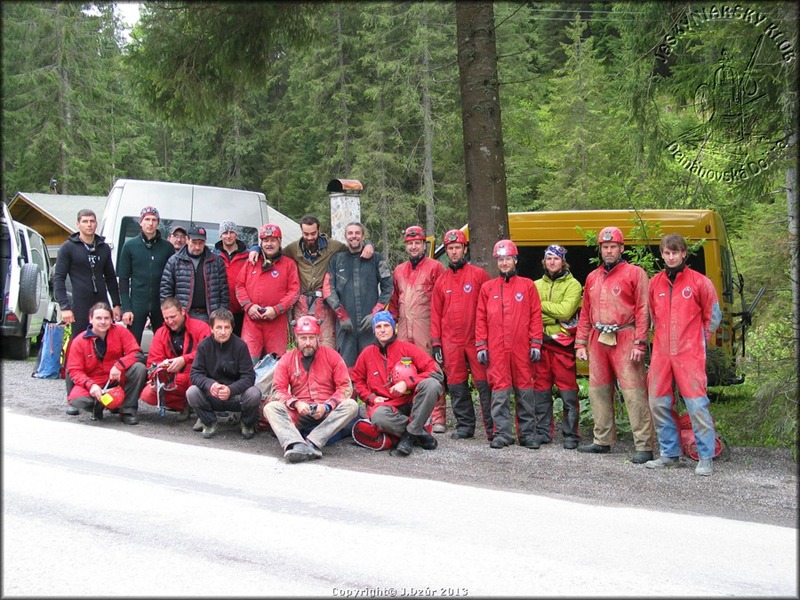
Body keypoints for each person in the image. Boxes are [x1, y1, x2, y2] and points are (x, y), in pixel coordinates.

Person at [575, 226, 655, 463]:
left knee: (634, 391)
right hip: (599, 339)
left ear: (621, 248)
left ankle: (644, 445)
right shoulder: (592, 277)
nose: (609, 251)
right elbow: (585, 312)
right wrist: (580, 343)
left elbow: (643, 309)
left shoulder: (635, 273)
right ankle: (602, 440)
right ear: (600, 249)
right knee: (598, 390)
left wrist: (640, 343)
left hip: (626, 337)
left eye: (613, 247)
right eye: (605, 247)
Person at [645, 233, 722, 476]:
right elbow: (653, 317)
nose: (671, 257)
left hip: (690, 353)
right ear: (662, 254)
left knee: (696, 404)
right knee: (658, 402)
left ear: (684, 253)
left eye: (675, 252)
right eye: (666, 253)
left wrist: (701, 340)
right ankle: (669, 453)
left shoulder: (699, 282)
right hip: (661, 352)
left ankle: (705, 456)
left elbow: (714, 316)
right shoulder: (655, 283)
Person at [248, 215, 375, 348]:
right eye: (306, 234)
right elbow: (274, 253)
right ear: (301, 232)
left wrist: (368, 244)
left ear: (319, 230)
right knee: (304, 342)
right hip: (301, 303)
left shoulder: (333, 246)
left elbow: (353, 247)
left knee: (327, 343)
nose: (309, 237)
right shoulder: (293, 249)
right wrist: (255, 248)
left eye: (313, 233)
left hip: (325, 303)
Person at [475, 240, 544, 449]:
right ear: (497, 261)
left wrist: (536, 343)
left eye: (508, 259)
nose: (504, 263)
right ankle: (502, 433)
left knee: (525, 390)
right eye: (501, 259)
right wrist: (481, 346)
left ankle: (528, 433)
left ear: (515, 260)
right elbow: (480, 318)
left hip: (522, 347)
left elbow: (535, 315)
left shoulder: (527, 285)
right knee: (500, 392)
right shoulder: (488, 288)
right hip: (496, 348)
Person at [264, 316, 359, 463]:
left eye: (311, 338)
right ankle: (295, 444)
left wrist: (327, 405)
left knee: (352, 406)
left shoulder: (332, 356)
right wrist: (296, 404)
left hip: (327, 412)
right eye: (303, 338)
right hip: (300, 411)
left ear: (318, 337)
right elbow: (278, 390)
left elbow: (345, 387)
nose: (308, 343)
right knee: (271, 407)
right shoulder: (287, 359)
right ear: (296, 338)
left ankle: (313, 442)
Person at [351, 310, 444, 456]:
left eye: (386, 325)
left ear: (394, 328)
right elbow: (358, 381)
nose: (382, 330)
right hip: (386, 406)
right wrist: (371, 398)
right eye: (379, 327)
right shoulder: (366, 354)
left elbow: (436, 372)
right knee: (379, 417)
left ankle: (408, 436)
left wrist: (407, 383)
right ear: (374, 331)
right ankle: (419, 432)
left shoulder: (407, 348)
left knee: (432, 385)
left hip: (411, 402)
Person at [430, 229, 492, 440]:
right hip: (450, 341)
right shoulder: (442, 281)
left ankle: (492, 427)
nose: (454, 252)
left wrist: (488, 339)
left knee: (483, 383)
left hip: (476, 339)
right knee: (456, 384)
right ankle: (465, 426)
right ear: (446, 251)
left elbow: (488, 309)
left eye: (457, 248)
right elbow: (435, 314)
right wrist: (436, 343)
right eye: (450, 249)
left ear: (465, 249)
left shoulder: (479, 275)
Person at [388, 225, 447, 432]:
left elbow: (443, 300)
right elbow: (395, 301)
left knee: (431, 369)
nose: (413, 247)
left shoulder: (436, 268)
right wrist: (392, 325)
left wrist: (439, 330)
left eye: (417, 243)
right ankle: (411, 411)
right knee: (404, 371)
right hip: (404, 328)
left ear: (424, 244)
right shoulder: (398, 271)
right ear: (406, 246)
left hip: (426, 327)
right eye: (410, 243)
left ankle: (438, 416)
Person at [532, 244, 583, 449]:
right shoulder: (535, 284)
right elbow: (530, 313)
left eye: (556, 258)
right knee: (540, 389)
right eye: (549, 258)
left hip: (563, 344)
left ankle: (571, 434)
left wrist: (541, 306)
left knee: (568, 391)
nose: (552, 262)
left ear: (563, 261)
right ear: (544, 261)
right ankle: (543, 432)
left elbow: (565, 312)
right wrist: (554, 313)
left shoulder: (574, 285)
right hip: (541, 342)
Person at [322, 222, 393, 368]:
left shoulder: (376, 259)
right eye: (350, 233)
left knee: (373, 365)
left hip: (370, 325)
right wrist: (341, 315)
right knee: (345, 367)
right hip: (345, 325)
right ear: (345, 236)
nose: (353, 236)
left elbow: (388, 287)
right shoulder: (337, 260)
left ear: (363, 236)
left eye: (357, 233)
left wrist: (375, 314)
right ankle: (350, 392)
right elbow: (328, 289)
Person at [66, 302, 146, 425]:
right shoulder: (79, 341)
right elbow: (74, 370)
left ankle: (127, 410)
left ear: (112, 319)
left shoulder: (121, 331)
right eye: (98, 318)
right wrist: (90, 385)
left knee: (139, 368)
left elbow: (137, 354)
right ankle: (99, 407)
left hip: (116, 379)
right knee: (77, 400)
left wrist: (119, 365)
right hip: (94, 381)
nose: (103, 322)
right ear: (90, 319)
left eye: (106, 318)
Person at [187, 308, 261, 440]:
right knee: (192, 392)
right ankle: (209, 422)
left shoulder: (240, 346)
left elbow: (249, 377)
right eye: (219, 327)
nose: (223, 332)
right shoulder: (204, 346)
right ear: (211, 328)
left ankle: (247, 423)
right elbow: (195, 374)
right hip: (213, 395)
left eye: (227, 327)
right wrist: (211, 385)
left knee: (254, 393)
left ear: (232, 328)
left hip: (236, 396)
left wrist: (231, 390)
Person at [53, 209, 122, 340]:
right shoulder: (68, 248)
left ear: (96, 224)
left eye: (92, 221)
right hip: (79, 303)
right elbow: (59, 278)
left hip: (101, 302)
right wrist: (64, 307)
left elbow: (110, 277)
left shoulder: (103, 247)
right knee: (79, 340)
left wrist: (116, 304)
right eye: (85, 221)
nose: (89, 224)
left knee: (104, 339)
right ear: (78, 224)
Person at [236, 223, 300, 362]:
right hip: (252, 322)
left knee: (275, 365)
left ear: (280, 241)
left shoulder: (288, 264)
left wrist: (277, 309)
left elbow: (294, 291)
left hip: (276, 322)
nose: (269, 244)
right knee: (248, 362)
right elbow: (239, 285)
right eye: (265, 240)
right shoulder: (251, 262)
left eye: (272, 240)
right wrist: (248, 306)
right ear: (261, 243)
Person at [141, 297, 212, 420]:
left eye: (173, 317)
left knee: (200, 379)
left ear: (183, 312)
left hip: (195, 374)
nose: (170, 321)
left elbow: (209, 353)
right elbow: (153, 361)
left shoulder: (201, 327)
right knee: (148, 394)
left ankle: (203, 410)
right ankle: (184, 405)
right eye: (166, 318)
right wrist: (155, 379)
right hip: (173, 378)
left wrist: (184, 359)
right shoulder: (160, 333)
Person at [117, 206, 175, 344]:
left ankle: (163, 365)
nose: (150, 223)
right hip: (138, 302)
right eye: (147, 219)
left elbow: (174, 278)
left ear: (158, 223)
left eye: (154, 220)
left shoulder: (167, 247)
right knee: (132, 343)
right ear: (141, 222)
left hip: (160, 303)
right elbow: (124, 279)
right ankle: (134, 366)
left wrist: (172, 305)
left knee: (166, 342)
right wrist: (126, 308)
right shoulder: (130, 246)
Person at [160, 226, 229, 323]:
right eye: (194, 242)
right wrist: (170, 314)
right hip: (183, 315)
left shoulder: (216, 261)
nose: (197, 247)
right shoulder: (174, 260)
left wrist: (220, 315)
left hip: (209, 316)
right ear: (187, 240)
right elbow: (166, 290)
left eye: (200, 243)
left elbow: (224, 292)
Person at [214, 220, 249, 337]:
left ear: (236, 234)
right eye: (225, 233)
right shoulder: (213, 256)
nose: (228, 236)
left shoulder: (248, 256)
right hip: (221, 309)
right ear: (220, 235)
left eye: (231, 232)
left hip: (243, 310)